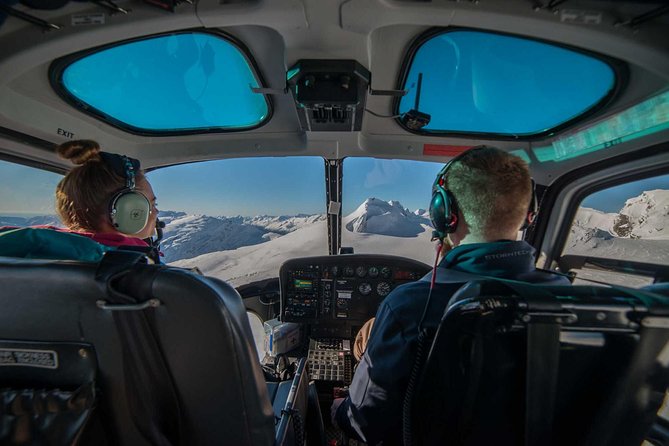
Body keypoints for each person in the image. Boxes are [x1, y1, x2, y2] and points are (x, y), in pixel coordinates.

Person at [332, 146, 571, 445]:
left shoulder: (411, 305)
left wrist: (339, 410)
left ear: (444, 213)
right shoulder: (567, 301)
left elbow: (364, 424)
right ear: (529, 214)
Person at [54, 139, 159, 248]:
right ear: (126, 212)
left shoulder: (61, 249)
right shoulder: (128, 262)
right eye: (151, 205)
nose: (156, 212)